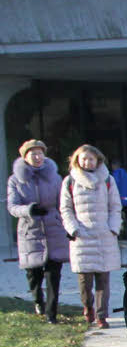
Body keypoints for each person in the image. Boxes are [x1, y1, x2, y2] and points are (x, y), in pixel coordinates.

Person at [6, 139, 69, 324]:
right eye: (33, 153)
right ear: (25, 157)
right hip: (30, 230)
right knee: (34, 274)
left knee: (53, 274)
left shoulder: (55, 177)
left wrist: (62, 220)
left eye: (40, 153)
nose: (37, 156)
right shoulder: (15, 180)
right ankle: (38, 301)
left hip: (53, 229)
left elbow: (63, 202)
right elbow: (12, 206)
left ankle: (51, 313)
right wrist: (29, 210)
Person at [59, 144, 122, 329]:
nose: (88, 162)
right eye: (84, 158)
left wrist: (113, 228)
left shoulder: (108, 180)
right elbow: (66, 208)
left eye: (91, 158)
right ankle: (88, 308)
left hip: (104, 235)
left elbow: (115, 206)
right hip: (82, 237)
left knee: (103, 279)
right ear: (77, 160)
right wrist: (74, 229)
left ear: (98, 160)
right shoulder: (70, 181)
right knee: (84, 281)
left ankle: (102, 315)